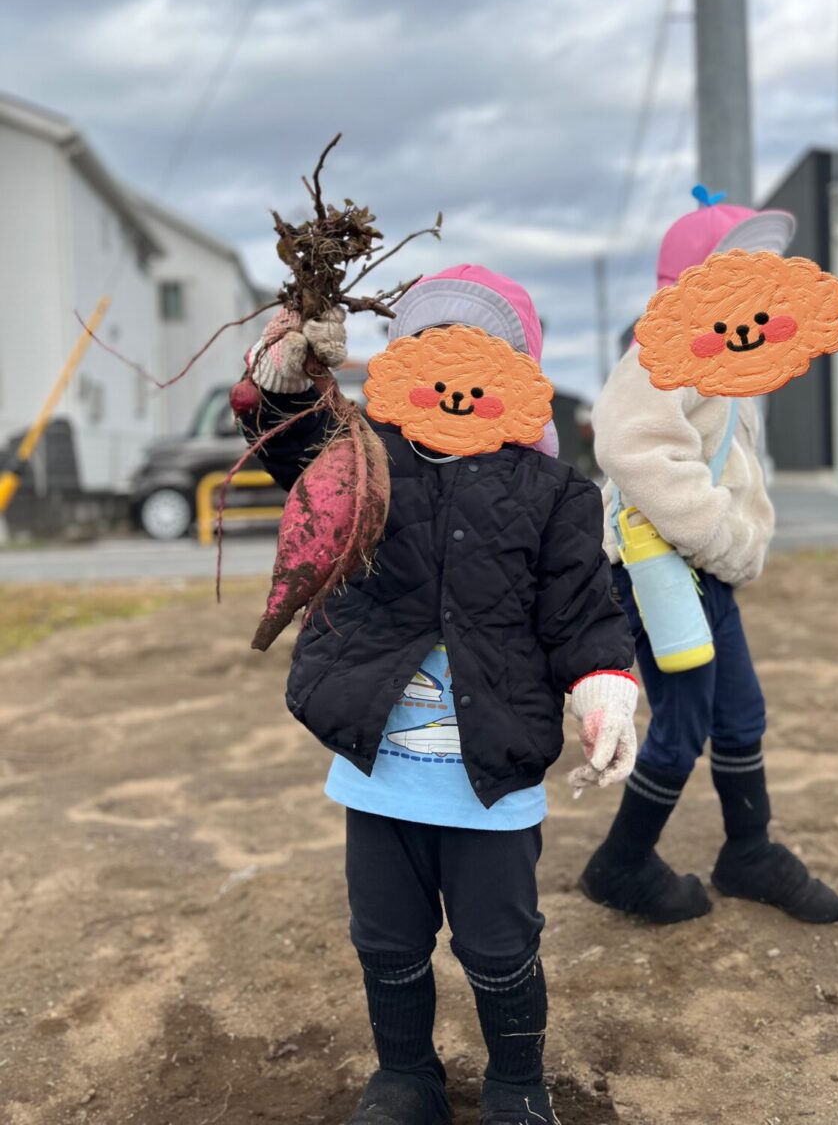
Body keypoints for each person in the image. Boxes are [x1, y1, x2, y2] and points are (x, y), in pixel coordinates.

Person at [241, 264, 638, 1125]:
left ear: (520, 375)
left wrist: (605, 688)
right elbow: (289, 447)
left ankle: (517, 1083)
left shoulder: (554, 495)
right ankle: (406, 1076)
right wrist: (282, 376)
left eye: (480, 354)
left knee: (500, 942)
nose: (454, 374)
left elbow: (582, 612)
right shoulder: (362, 459)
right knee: (385, 938)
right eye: (428, 347)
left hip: (491, 771)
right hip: (378, 769)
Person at [580, 194, 838, 926]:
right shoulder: (664, 352)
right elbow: (632, 443)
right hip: (656, 567)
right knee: (685, 718)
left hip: (701, 569)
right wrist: (718, 530)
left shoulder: (728, 364)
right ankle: (621, 861)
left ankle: (748, 849)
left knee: (739, 711)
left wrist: (729, 543)